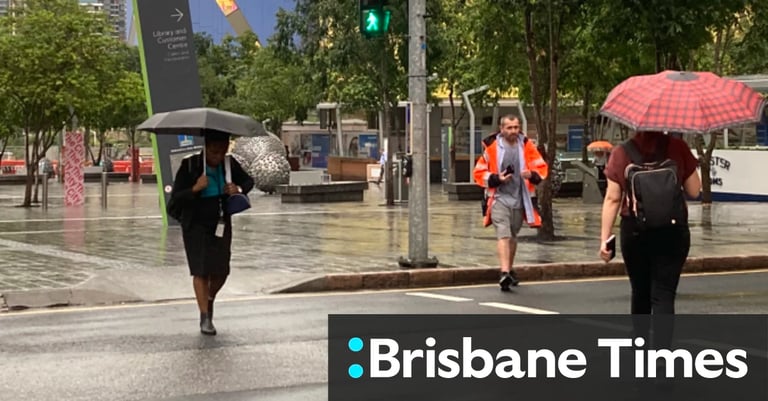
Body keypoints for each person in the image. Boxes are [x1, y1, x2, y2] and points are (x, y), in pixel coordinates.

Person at [599, 131, 701, 315]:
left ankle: (640, 342)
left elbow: (612, 199)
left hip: (635, 231)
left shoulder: (621, 152)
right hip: (672, 231)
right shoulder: (678, 147)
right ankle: (662, 344)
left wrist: (604, 239)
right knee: (664, 294)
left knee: (640, 293)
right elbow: (694, 190)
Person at [169, 130, 254, 335]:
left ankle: (209, 298)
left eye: (222, 150)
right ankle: (205, 317)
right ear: (206, 148)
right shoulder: (190, 166)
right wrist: (195, 189)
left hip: (221, 222)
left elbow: (248, 181)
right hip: (195, 224)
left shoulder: (229, 164)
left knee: (221, 270)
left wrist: (238, 189)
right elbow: (176, 199)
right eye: (214, 151)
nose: (218, 156)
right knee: (200, 270)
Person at [473, 115, 549, 291]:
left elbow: (541, 168)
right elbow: (478, 172)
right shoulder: (492, 147)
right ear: (502, 129)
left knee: (513, 236)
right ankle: (504, 272)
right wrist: (496, 178)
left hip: (520, 198)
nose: (513, 131)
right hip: (498, 198)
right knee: (503, 233)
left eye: (516, 127)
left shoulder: (527, 146)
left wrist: (533, 175)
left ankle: (510, 270)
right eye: (509, 128)